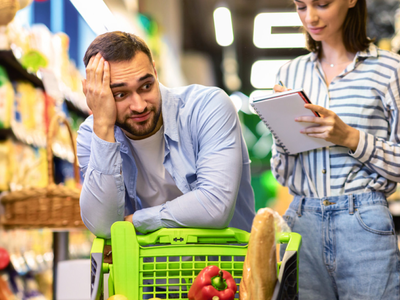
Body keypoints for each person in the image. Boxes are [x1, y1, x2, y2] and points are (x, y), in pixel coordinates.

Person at [272, 0, 400, 299]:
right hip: (301, 221)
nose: (310, 17)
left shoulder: (390, 71)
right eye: (300, 6)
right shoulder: (289, 74)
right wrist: (283, 136)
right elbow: (282, 174)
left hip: (364, 222)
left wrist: (350, 137)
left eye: (322, 4)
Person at [77, 31, 255, 239]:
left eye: (146, 86)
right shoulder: (93, 134)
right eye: (121, 94)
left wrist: (135, 221)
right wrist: (103, 125)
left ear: (155, 71)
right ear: (97, 93)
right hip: (148, 271)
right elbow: (101, 225)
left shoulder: (207, 107)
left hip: (225, 265)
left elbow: (215, 206)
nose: (139, 105)